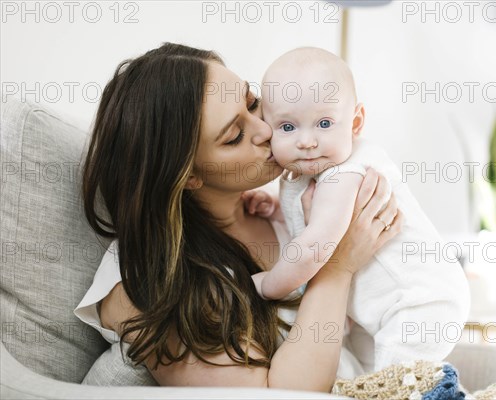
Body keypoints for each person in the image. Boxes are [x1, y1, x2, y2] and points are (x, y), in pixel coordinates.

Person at [73, 42, 402, 392]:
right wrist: (337, 267)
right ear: (187, 176)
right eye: (234, 136)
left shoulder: (286, 209)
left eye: (252, 103)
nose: (265, 131)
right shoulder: (143, 283)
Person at [250, 47, 470, 374]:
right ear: (267, 127)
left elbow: (317, 246)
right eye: (287, 127)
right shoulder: (315, 170)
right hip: (381, 312)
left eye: (324, 123)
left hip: (418, 304)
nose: (307, 141)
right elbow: (317, 221)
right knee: (367, 380)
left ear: (355, 122)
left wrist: (269, 285)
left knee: (396, 387)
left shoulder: (345, 174)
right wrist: (279, 210)